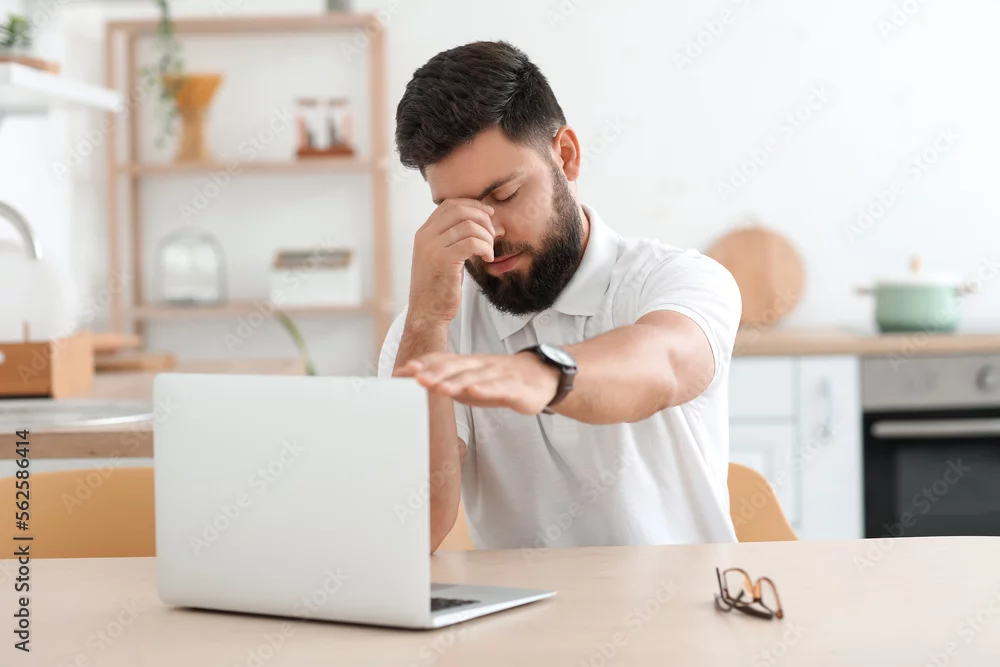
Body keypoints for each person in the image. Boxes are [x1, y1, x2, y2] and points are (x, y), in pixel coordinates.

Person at [378, 41, 742, 552]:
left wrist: (543, 374)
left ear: (566, 156)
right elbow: (414, 530)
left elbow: (662, 365)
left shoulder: (677, 279)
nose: (487, 234)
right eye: (454, 211)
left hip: (685, 600)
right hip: (524, 607)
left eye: (504, 195)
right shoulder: (429, 330)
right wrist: (425, 320)